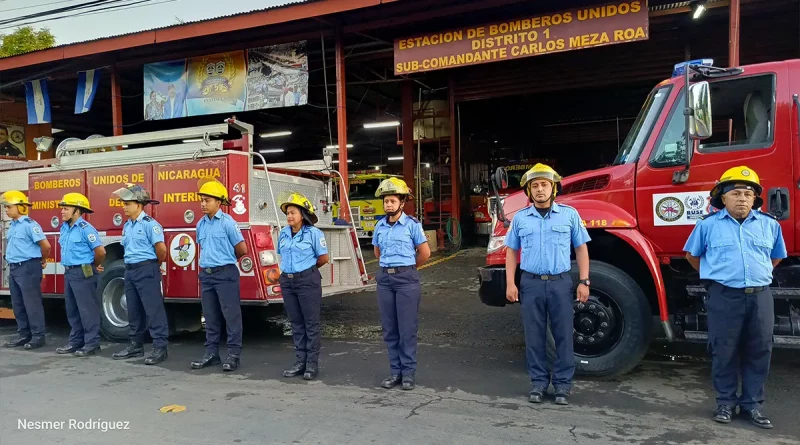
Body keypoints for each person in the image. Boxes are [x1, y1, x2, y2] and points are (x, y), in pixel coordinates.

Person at [684, 166, 785, 429]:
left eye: (748, 194)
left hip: (760, 297)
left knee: (759, 350)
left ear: (755, 199)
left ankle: (752, 405)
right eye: (736, 193)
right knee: (724, 350)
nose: (742, 198)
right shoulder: (707, 226)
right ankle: (725, 403)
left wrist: (755, 276)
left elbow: (776, 257)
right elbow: (692, 256)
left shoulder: (770, 225)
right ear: (723, 198)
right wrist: (718, 276)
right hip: (724, 296)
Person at [503, 163, 591, 406]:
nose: (539, 189)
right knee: (534, 336)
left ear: (553, 189)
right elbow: (511, 251)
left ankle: (562, 385)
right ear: (529, 192)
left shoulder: (569, 215)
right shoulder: (520, 218)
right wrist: (511, 283)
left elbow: (581, 248)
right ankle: (538, 383)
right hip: (530, 283)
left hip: (560, 283)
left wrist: (584, 280)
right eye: (535, 186)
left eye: (544, 184)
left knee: (564, 334)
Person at [372, 177, 430, 390]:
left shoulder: (412, 225)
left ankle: (408, 374)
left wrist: (406, 268)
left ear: (402, 203)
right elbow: (378, 252)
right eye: (386, 201)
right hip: (385, 280)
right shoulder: (379, 226)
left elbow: (425, 253)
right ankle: (395, 372)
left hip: (407, 280)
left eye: (392, 201)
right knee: (390, 329)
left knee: (407, 329)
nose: (388, 204)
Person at [190, 177, 247, 372]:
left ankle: (233, 355)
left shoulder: (228, 223)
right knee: (210, 317)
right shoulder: (201, 224)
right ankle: (212, 354)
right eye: (202, 200)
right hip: (207, 276)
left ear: (219, 202)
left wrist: (225, 262)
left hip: (225, 274)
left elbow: (242, 249)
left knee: (231, 316)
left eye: (207, 200)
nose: (203, 204)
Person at [110, 184, 169, 365]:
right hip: (130, 270)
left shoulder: (150, 225)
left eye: (127, 203)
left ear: (139, 204)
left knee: (153, 310)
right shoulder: (128, 225)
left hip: (146, 269)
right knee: (133, 309)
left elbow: (161, 250)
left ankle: (160, 348)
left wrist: (152, 266)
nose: (123, 206)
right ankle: (136, 345)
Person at [277, 192, 329, 381]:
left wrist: (305, 271)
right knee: (296, 323)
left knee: (311, 324)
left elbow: (323, 258)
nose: (289, 216)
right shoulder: (283, 232)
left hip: (307, 281)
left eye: (293, 212)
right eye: (287, 213)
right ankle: (300, 361)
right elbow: (282, 254)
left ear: (303, 214)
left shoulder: (314, 234)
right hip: (288, 282)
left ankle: (311, 364)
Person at [56, 193, 106, 357]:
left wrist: (93, 265)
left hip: (83, 272)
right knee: (72, 309)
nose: (62, 211)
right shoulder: (65, 228)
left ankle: (91, 343)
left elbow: (100, 251)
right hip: (69, 272)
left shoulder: (86, 229)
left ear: (77, 211)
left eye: (66, 208)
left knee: (87, 309)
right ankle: (76, 342)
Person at [1, 191, 50, 350]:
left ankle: (38, 336)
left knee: (32, 304)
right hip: (15, 268)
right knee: (18, 304)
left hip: (28, 267)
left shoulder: (30, 225)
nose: (6, 210)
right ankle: (23, 334)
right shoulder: (13, 226)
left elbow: (46, 246)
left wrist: (42, 260)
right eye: (5, 207)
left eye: (9, 207)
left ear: (21, 207)